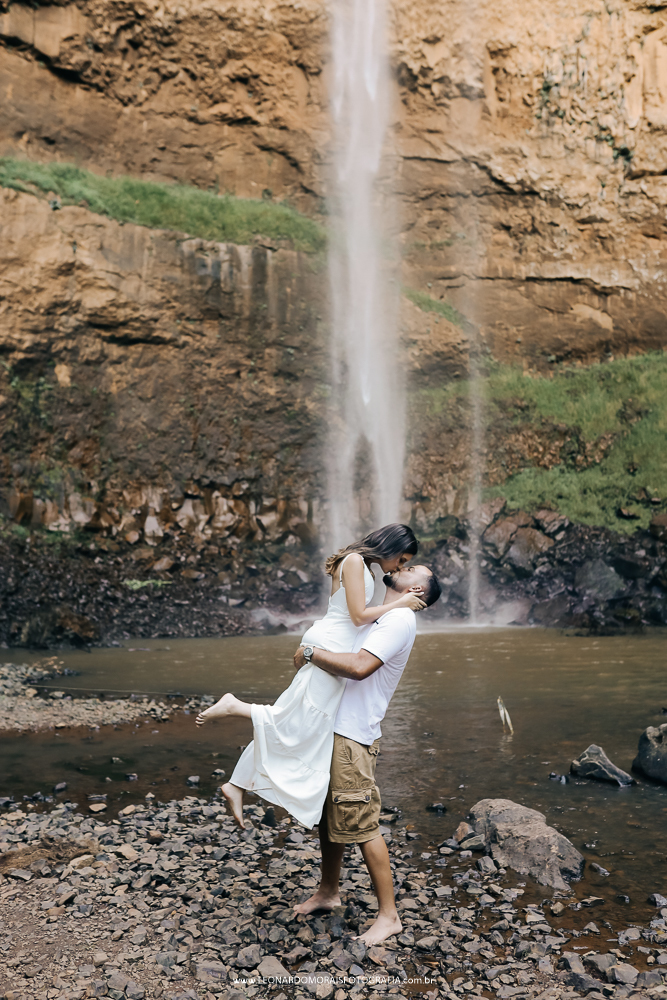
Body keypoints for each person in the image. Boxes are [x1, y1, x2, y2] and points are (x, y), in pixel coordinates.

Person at [195, 524, 426, 829]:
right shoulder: (356, 561)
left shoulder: (360, 563)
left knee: (300, 720)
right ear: (391, 546)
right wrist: (400, 603)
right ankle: (235, 707)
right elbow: (357, 616)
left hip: (333, 642)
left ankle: (237, 784)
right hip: (330, 643)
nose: (398, 566)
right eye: (401, 559)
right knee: (296, 720)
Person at [292, 561, 442, 946]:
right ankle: (329, 891)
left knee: (362, 823)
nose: (403, 566)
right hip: (336, 728)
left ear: (419, 591)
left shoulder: (398, 621)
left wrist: (310, 652)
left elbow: (359, 667)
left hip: (352, 736)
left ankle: (389, 916)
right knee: (331, 817)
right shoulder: (382, 615)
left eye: (413, 569)